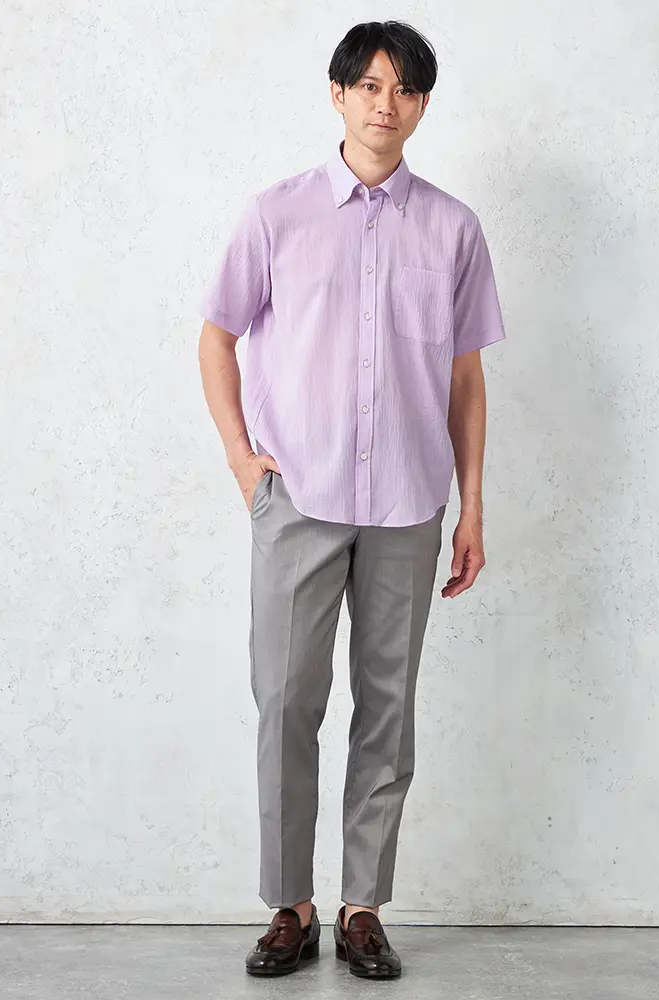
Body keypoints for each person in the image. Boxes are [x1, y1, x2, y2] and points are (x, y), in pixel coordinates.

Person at [197, 19, 507, 980]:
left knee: (388, 706)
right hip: (298, 496)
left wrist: (472, 506)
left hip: (410, 502)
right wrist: (244, 464)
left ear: (422, 105)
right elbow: (216, 337)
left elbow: (465, 379)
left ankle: (363, 906)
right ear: (337, 94)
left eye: (405, 89)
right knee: (286, 700)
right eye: (369, 85)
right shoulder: (276, 215)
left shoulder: (453, 228)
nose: (386, 104)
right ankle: (289, 907)